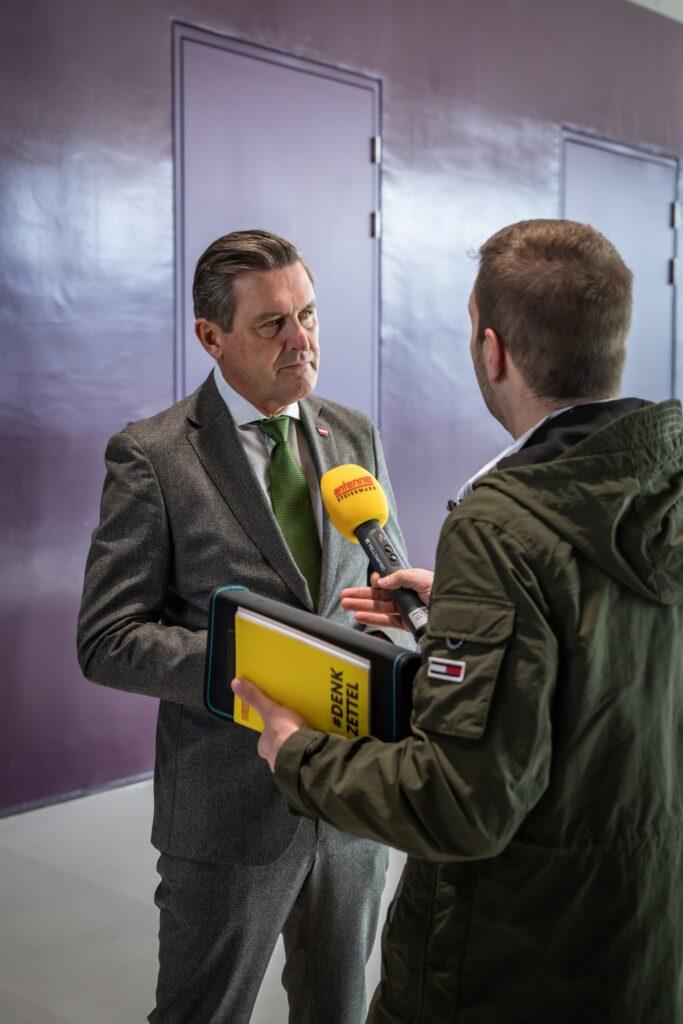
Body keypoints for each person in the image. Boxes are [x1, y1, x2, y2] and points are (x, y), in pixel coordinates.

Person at [233, 219, 683, 1024]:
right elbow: (622, 656)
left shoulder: (502, 527)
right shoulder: (662, 487)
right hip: (640, 937)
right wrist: (473, 617)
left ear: (492, 351)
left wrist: (296, 754)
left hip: (511, 956)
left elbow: (460, 803)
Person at [77, 229, 410, 1024]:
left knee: (338, 1009)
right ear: (211, 336)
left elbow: (381, 581)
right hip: (227, 811)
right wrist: (263, 668)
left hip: (349, 797)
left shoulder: (351, 434)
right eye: (272, 324)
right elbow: (108, 639)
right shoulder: (153, 456)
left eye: (308, 315)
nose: (301, 341)